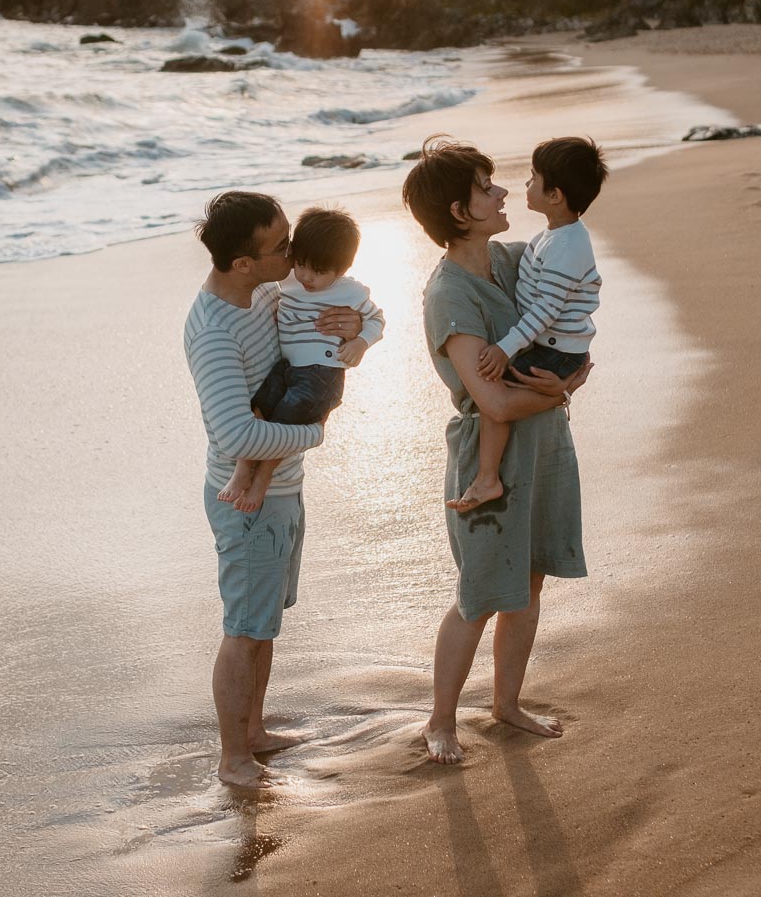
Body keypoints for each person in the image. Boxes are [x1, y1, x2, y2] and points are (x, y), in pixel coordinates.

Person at [402, 136, 591, 765]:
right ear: (460, 211)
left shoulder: (515, 260)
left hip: (546, 448)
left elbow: (575, 338)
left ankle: (507, 704)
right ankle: (440, 720)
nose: (504, 192)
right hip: (496, 458)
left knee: (530, 581)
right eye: (487, 187)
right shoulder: (448, 296)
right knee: (481, 593)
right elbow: (497, 404)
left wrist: (567, 375)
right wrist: (558, 389)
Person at [183, 191, 363, 788]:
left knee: (264, 622)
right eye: (282, 245)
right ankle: (233, 758)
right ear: (242, 262)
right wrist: (318, 431)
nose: (294, 251)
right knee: (244, 627)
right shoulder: (213, 330)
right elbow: (235, 431)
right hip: (246, 503)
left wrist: (355, 324)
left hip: (282, 488)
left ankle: (253, 730)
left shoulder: (266, 292)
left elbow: (316, 329)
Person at [451, 136, 608, 512]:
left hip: (555, 348)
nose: (524, 185)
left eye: (534, 178)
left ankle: (488, 479)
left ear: (554, 195)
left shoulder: (566, 247)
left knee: (495, 392)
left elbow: (546, 311)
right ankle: (556, 398)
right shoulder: (555, 238)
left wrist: (506, 348)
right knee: (502, 392)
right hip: (558, 346)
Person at [218, 207, 386, 512]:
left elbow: (376, 319)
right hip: (288, 368)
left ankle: (262, 479)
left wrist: (360, 342)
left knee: (285, 418)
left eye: (319, 272)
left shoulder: (349, 291)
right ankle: (243, 469)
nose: (307, 276)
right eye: (302, 265)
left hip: (321, 375)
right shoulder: (289, 280)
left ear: (342, 269)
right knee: (260, 404)